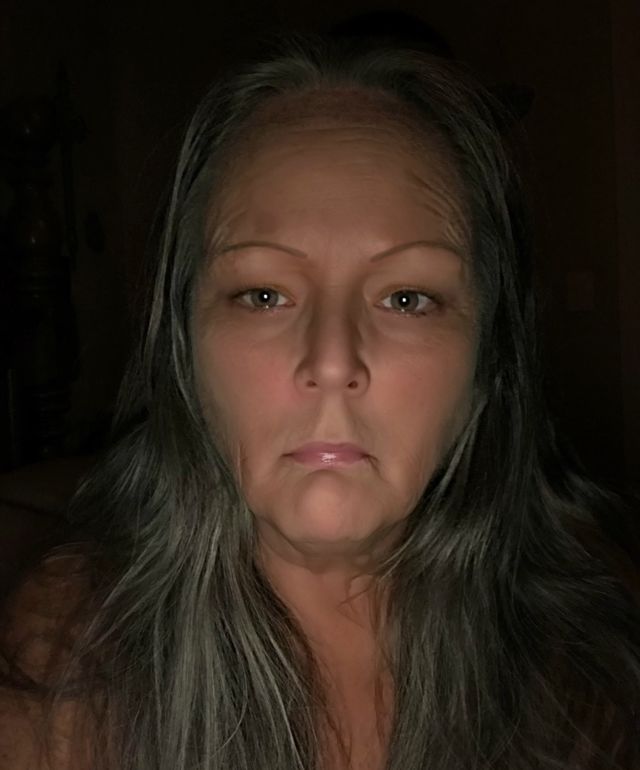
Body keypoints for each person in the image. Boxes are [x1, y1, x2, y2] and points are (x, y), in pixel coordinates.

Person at [1, 34, 639, 770]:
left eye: (407, 298)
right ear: (184, 353)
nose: (332, 362)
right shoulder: (71, 658)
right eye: (263, 295)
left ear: (486, 364)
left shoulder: (590, 654)